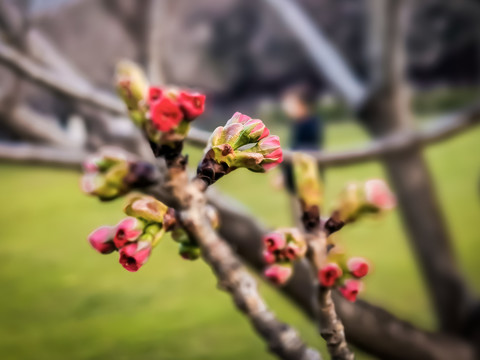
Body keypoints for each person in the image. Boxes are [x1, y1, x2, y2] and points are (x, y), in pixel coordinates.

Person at [280, 83, 324, 194]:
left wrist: (284, 176)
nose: (287, 108)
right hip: (296, 178)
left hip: (307, 177)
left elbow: (304, 150)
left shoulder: (310, 124)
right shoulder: (298, 124)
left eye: (290, 104)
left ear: (301, 104)